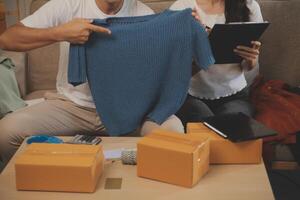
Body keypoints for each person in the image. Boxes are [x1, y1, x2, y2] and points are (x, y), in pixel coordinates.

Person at [0, 0, 184, 172]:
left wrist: (183, 39)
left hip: (127, 109)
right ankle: (48, 176)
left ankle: (131, 176)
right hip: (71, 106)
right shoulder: (67, 5)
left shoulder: (143, 13)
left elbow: (155, 71)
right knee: (6, 132)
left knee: (173, 132)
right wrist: (59, 33)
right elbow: (7, 39)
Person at [170, 0, 264, 127]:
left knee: (230, 127)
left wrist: (251, 59)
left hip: (235, 95)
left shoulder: (249, 6)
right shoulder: (182, 7)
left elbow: (249, 67)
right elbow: (172, 72)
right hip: (190, 95)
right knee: (205, 127)